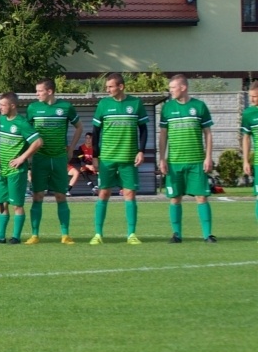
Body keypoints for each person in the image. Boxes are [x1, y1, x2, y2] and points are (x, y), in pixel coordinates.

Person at [157, 73, 216, 244]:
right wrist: (162, 158)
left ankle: (208, 235)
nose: (171, 91)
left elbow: (208, 134)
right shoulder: (167, 108)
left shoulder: (199, 106)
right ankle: (176, 234)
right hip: (175, 162)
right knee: (175, 198)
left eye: (173, 88)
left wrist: (208, 157)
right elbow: (163, 136)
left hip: (196, 161)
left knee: (201, 197)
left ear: (183, 88)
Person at [90, 71, 147, 245]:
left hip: (128, 158)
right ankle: (98, 234)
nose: (107, 89)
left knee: (129, 194)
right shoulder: (103, 104)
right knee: (104, 193)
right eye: (106, 86)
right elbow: (95, 132)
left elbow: (143, 130)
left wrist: (141, 151)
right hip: (107, 158)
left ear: (121, 86)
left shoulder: (136, 104)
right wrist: (95, 156)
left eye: (110, 86)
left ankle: (131, 234)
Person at [26, 78, 82, 244]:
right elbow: (26, 131)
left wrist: (71, 148)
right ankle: (35, 235)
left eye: (39, 91)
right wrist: (28, 154)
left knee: (60, 196)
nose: (37, 94)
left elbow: (79, 127)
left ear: (49, 91)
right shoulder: (33, 108)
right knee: (37, 196)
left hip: (59, 158)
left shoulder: (65, 107)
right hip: (40, 158)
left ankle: (65, 235)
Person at [0, 93, 42, 245]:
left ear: (13, 106)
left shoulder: (21, 123)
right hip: (3, 171)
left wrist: (22, 158)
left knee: (17, 205)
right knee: (1, 203)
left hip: (16, 172)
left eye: (3, 105)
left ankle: (16, 237)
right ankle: (0, 236)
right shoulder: (1, 119)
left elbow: (38, 142)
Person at [241, 78, 258, 230]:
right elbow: (246, 138)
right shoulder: (249, 114)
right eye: (251, 96)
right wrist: (246, 160)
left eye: (255, 96)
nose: (252, 100)